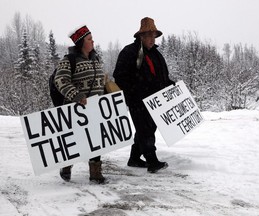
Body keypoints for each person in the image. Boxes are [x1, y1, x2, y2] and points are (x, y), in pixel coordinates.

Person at [113, 17, 175, 173]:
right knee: (144, 129)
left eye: (154, 36)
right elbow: (119, 76)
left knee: (148, 129)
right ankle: (152, 160)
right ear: (141, 36)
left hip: (155, 101)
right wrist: (134, 91)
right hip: (137, 100)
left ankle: (134, 158)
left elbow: (162, 76)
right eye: (149, 36)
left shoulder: (156, 55)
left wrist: (169, 84)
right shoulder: (129, 52)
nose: (152, 39)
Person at [54, 25, 106, 183]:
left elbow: (101, 81)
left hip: (94, 108)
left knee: (95, 139)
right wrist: (76, 95)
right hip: (77, 109)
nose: (93, 41)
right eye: (90, 39)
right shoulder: (69, 61)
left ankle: (95, 173)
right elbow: (60, 80)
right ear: (81, 43)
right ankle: (66, 165)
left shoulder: (95, 59)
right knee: (74, 140)